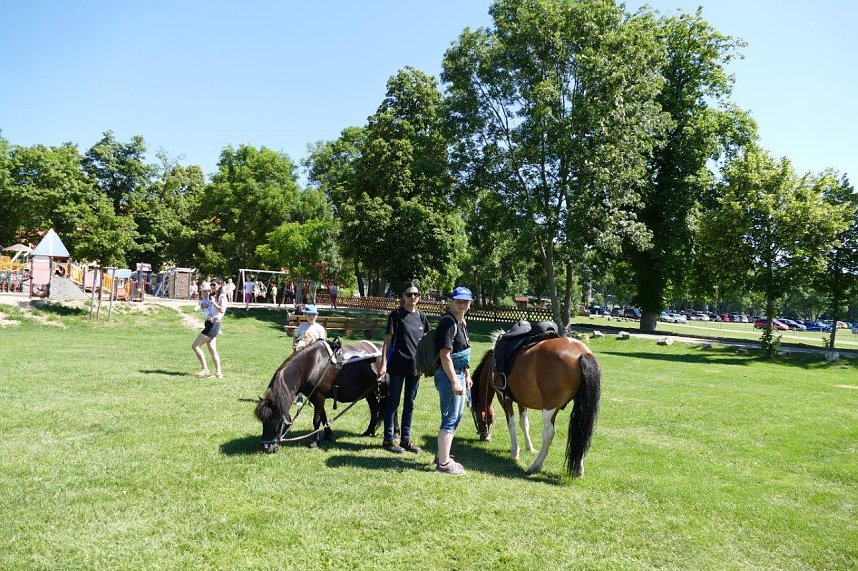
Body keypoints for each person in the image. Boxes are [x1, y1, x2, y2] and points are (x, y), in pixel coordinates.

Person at [379, 282, 429, 454]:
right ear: (403, 297)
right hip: (397, 366)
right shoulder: (396, 315)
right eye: (409, 294)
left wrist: (427, 364)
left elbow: (426, 343)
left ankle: (406, 439)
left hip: (415, 368)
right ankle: (388, 440)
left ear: (419, 297)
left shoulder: (422, 317)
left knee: (410, 403)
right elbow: (387, 341)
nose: (412, 297)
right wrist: (384, 364)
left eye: (415, 294)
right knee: (393, 402)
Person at [433, 286, 473, 476]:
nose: (462, 304)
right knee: (450, 418)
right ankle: (443, 464)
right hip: (449, 375)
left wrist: (466, 375)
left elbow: (462, 353)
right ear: (451, 301)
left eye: (466, 301)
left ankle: (442, 455)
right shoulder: (448, 324)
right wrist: (455, 382)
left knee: (454, 417)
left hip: (458, 374)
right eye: (458, 301)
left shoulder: (462, 322)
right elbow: (445, 355)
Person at [192, 280, 228, 379]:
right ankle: (218, 373)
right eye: (211, 284)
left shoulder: (222, 296)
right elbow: (208, 308)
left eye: (214, 284)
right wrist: (204, 305)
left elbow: (222, 310)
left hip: (214, 325)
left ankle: (205, 369)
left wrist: (213, 302)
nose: (212, 286)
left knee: (195, 346)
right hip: (209, 324)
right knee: (212, 350)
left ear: (219, 285)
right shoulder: (213, 296)